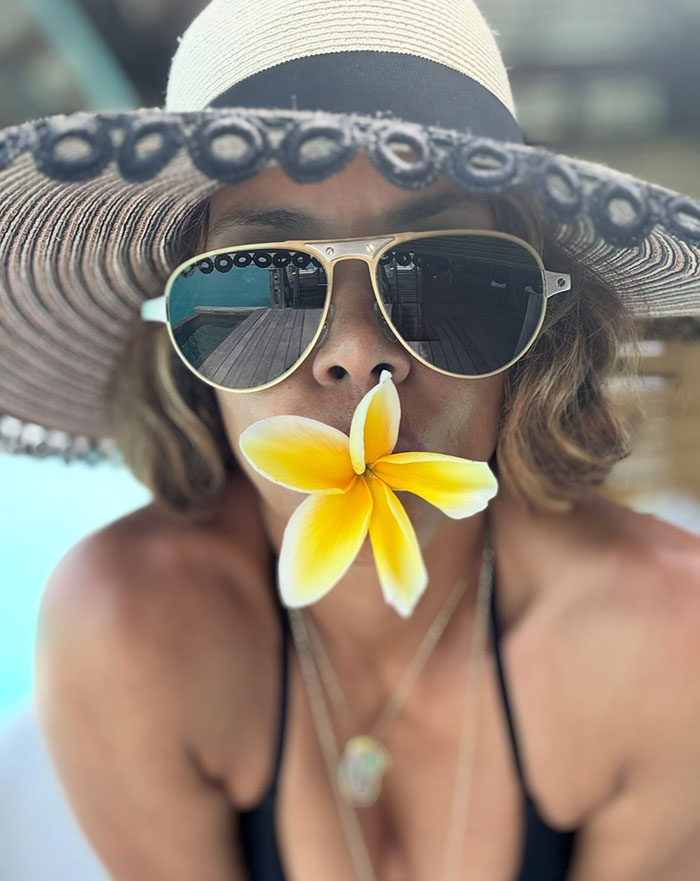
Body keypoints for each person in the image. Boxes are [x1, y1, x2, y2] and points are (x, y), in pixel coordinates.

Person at [1, 0, 697, 878]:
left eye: (448, 280)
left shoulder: (669, 643)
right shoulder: (132, 630)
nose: (360, 355)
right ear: (183, 353)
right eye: (257, 285)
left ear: (537, 332)